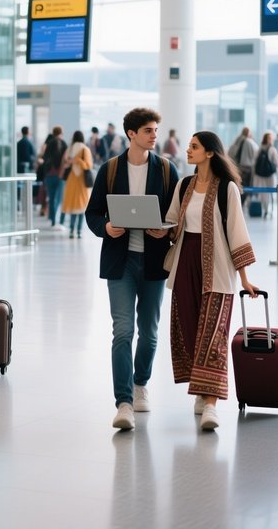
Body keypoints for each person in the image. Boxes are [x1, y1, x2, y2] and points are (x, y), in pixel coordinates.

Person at [85, 107, 179, 431]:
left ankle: (141, 384)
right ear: (132, 134)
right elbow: (92, 214)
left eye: (155, 130)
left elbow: (177, 216)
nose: (155, 136)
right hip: (120, 262)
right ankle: (123, 402)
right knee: (123, 330)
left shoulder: (167, 170)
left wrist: (166, 229)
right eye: (150, 131)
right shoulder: (110, 170)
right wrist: (106, 226)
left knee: (149, 333)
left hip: (154, 262)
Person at [164, 131, 259, 431]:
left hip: (217, 268)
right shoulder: (184, 185)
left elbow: (236, 231)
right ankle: (201, 390)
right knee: (190, 332)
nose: (188, 150)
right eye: (189, 146)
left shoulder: (227, 188)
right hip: (185, 264)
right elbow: (171, 223)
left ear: (209, 153)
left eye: (194, 147)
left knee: (213, 337)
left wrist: (244, 278)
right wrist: (155, 228)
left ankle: (211, 405)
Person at [61, 130, 93, 238]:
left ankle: (71, 230)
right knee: (82, 206)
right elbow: (88, 166)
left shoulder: (69, 149)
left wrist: (72, 161)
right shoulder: (85, 149)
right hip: (81, 181)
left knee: (73, 206)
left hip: (71, 179)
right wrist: (79, 160)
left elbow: (65, 163)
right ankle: (79, 231)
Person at [41, 126, 68, 229]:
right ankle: (55, 219)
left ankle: (52, 219)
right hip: (60, 175)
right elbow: (66, 159)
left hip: (49, 175)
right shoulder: (63, 143)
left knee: (51, 198)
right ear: (61, 133)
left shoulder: (49, 143)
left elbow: (44, 158)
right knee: (58, 198)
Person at [252, 131, 278, 218]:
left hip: (260, 175)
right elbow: (277, 162)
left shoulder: (259, 148)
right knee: (271, 192)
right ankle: (271, 209)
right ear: (269, 139)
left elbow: (254, 162)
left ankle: (265, 209)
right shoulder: (272, 149)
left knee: (263, 193)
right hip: (270, 174)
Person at [228, 127, 258, 205]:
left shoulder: (236, 141)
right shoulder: (248, 142)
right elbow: (255, 154)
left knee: (238, 186)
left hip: (236, 168)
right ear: (248, 133)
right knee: (245, 188)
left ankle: (237, 204)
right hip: (246, 169)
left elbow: (230, 154)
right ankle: (241, 204)